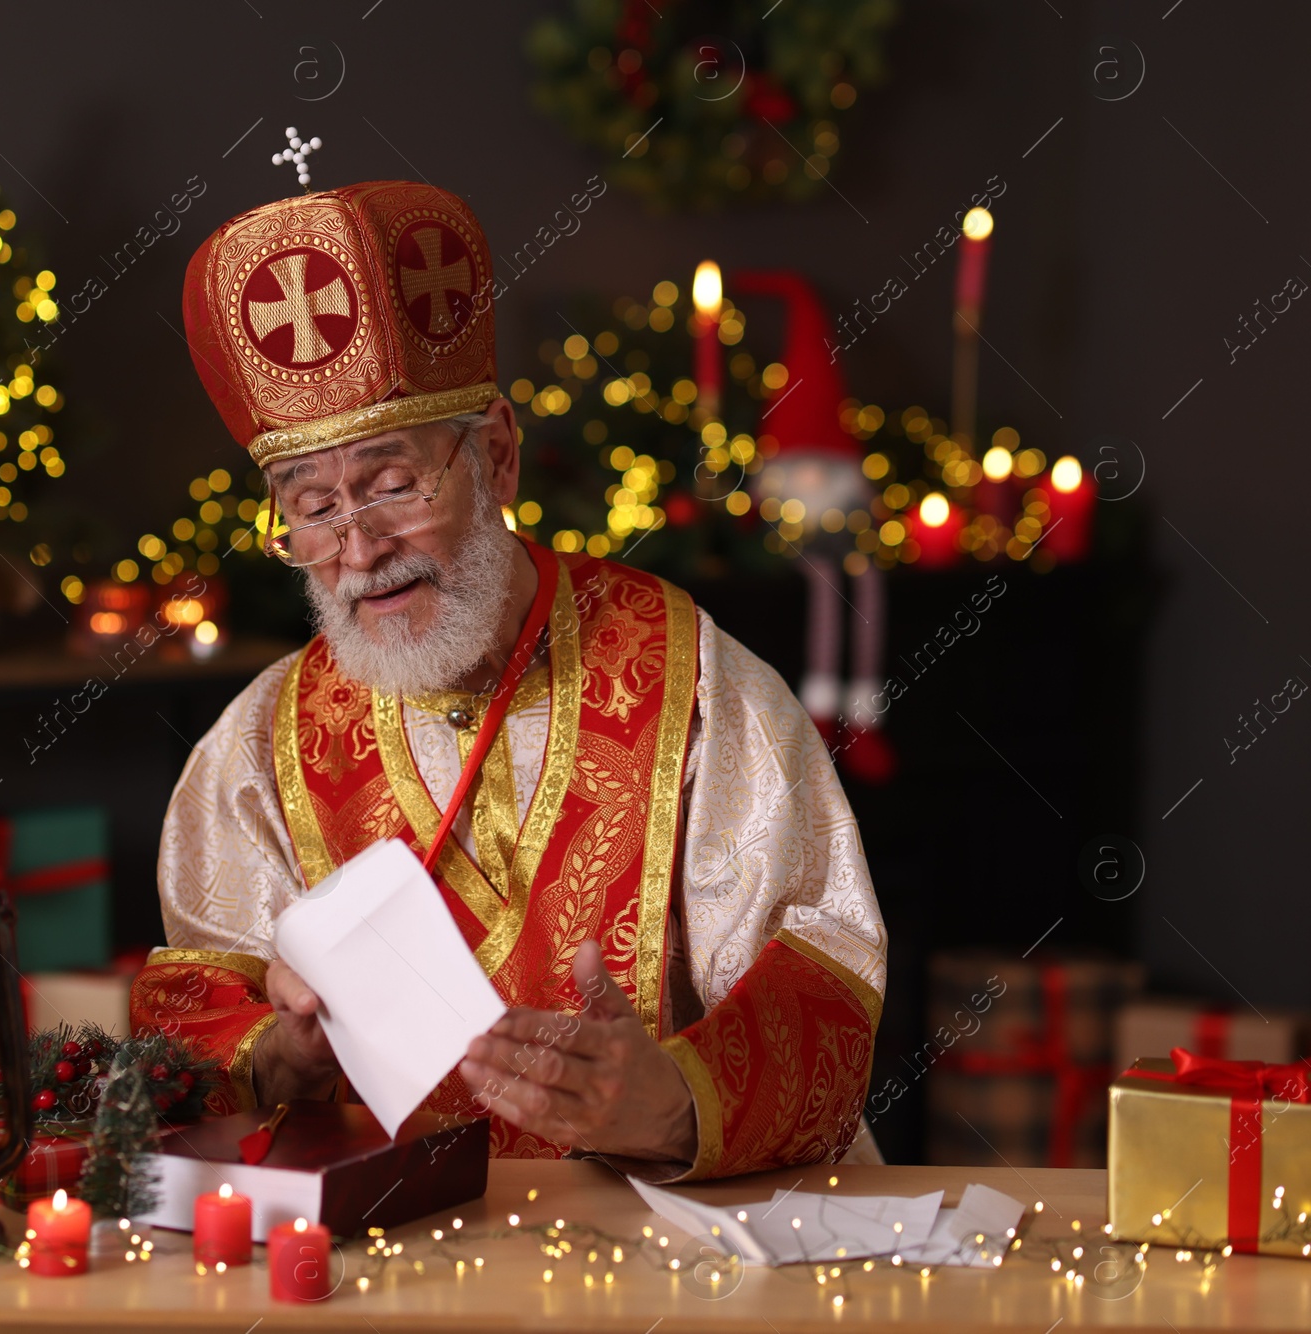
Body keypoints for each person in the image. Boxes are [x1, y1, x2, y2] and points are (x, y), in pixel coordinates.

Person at [131, 179, 886, 1178]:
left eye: (394, 484)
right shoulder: (255, 744)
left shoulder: (693, 681)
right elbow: (188, 1018)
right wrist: (279, 1054)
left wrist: (669, 1103)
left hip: (657, 1258)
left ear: (494, 455)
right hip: (377, 1268)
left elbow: (820, 978)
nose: (357, 548)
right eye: (311, 506)